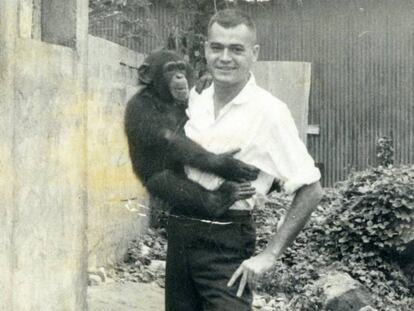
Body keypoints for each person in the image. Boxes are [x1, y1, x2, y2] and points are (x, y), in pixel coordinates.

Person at [165, 8, 323, 311]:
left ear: (255, 53)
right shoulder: (194, 100)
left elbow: (311, 188)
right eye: (216, 47)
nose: (225, 57)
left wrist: (270, 255)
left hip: (225, 244)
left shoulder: (269, 112)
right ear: (206, 50)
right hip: (180, 237)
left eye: (236, 49)